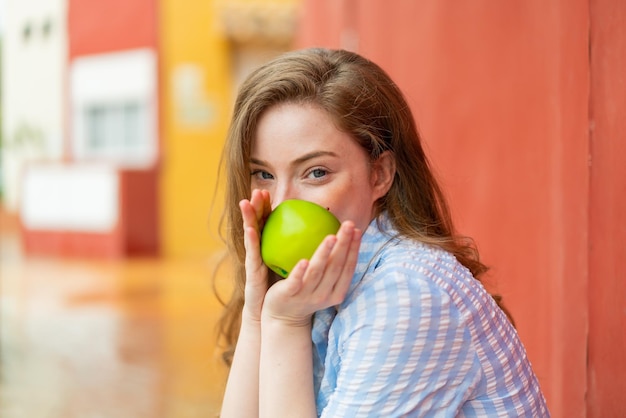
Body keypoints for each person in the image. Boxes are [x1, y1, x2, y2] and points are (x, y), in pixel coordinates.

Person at [217, 48, 549, 417]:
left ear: (380, 175)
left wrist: (284, 323)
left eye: (316, 173)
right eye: (263, 174)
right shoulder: (316, 291)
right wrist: (258, 314)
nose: (281, 204)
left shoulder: (405, 294)